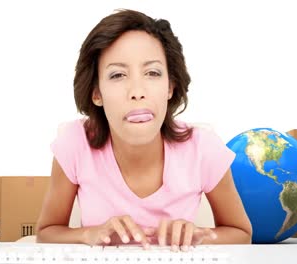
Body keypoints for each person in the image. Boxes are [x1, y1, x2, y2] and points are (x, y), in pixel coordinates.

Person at [36, 9, 252, 251]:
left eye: (152, 73)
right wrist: (91, 234)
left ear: (170, 86)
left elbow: (242, 233)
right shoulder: (74, 144)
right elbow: (46, 233)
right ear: (96, 92)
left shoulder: (204, 148)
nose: (137, 91)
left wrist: (201, 235)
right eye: (118, 75)